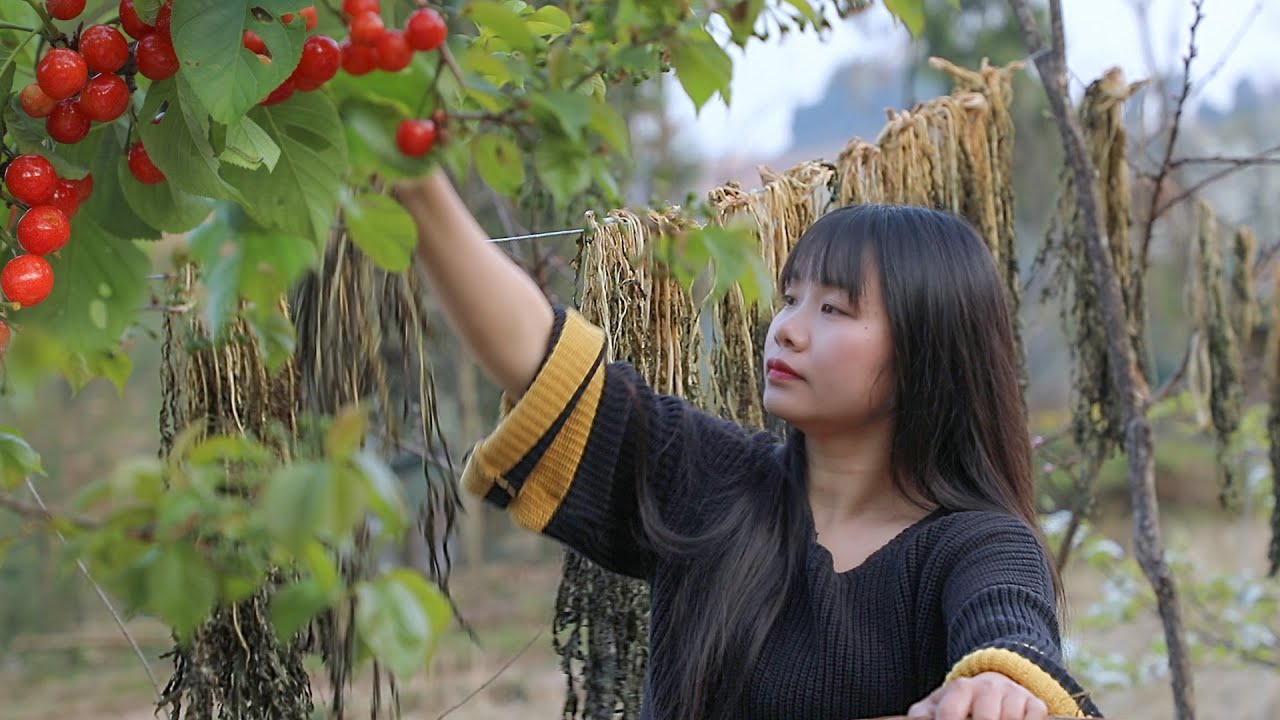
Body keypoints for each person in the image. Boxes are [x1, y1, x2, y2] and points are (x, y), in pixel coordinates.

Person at [395, 169, 1102, 720]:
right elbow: (543, 358)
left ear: (927, 352)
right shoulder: (713, 482)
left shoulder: (976, 546)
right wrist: (416, 183)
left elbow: (1011, 639)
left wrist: (998, 685)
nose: (787, 328)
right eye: (791, 297)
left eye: (834, 309)